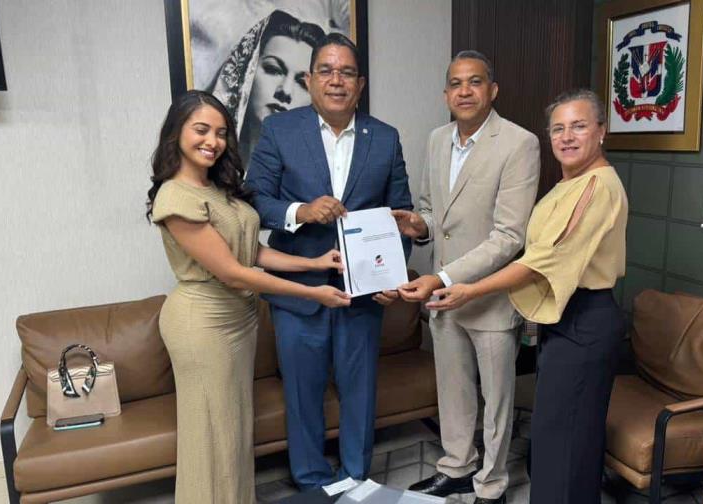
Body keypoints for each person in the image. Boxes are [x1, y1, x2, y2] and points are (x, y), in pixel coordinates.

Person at [145, 90, 351, 503]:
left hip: (237, 320)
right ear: (176, 133)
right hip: (202, 323)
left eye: (221, 133)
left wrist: (314, 262)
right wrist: (314, 293)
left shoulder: (218, 188)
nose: (213, 141)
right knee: (210, 435)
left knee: (234, 430)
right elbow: (233, 271)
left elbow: (251, 252)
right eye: (201, 130)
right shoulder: (176, 196)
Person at [425, 89, 628, 504]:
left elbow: (542, 261)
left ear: (601, 131)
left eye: (579, 126)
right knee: (556, 442)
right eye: (558, 128)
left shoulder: (598, 185)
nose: (566, 137)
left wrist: (469, 290)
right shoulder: (569, 183)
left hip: (586, 320)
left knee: (566, 446)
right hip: (565, 318)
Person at [245, 33, 413, 489]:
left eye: (346, 72)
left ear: (360, 84)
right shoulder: (279, 130)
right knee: (302, 395)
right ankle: (312, 483)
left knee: (360, 391)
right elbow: (253, 200)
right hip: (299, 294)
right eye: (326, 70)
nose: (336, 80)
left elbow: (401, 216)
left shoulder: (385, 138)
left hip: (363, 294)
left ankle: (356, 480)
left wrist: (391, 276)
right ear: (309, 79)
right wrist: (300, 211)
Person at [392, 50, 539, 504]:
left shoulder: (519, 143)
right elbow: (433, 211)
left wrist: (441, 276)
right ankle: (457, 467)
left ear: (492, 91)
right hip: (444, 298)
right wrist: (419, 225)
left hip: (489, 297)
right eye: (456, 83)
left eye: (475, 82)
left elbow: (509, 236)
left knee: (496, 400)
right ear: (446, 95)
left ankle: (491, 484)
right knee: (453, 391)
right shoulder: (437, 140)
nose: (465, 91)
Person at [209, 10, 326, 164]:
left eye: (302, 83)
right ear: (247, 71)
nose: (286, 91)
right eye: (273, 70)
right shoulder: (210, 162)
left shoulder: (316, 169)